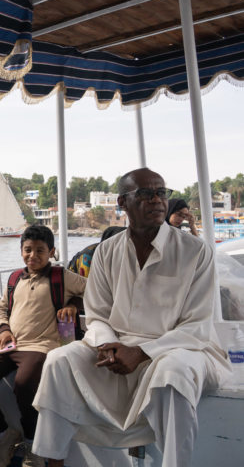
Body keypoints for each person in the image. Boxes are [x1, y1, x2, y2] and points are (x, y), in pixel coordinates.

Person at [32, 168, 230, 467]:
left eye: (161, 193)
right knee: (59, 361)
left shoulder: (195, 251)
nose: (157, 200)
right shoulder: (106, 251)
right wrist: (111, 345)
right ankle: (53, 460)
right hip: (117, 344)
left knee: (173, 376)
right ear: (123, 203)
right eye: (146, 194)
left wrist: (141, 352)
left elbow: (197, 325)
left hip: (180, 347)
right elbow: (97, 314)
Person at [0, 225, 86, 467]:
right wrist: (4, 330)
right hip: (11, 344)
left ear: (52, 252)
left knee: (24, 385)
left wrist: (74, 305)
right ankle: (3, 434)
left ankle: (32, 444)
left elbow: (92, 290)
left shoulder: (61, 276)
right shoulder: (15, 278)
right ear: (21, 250)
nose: (32, 256)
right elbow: (3, 308)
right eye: (27, 250)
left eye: (40, 251)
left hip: (41, 346)